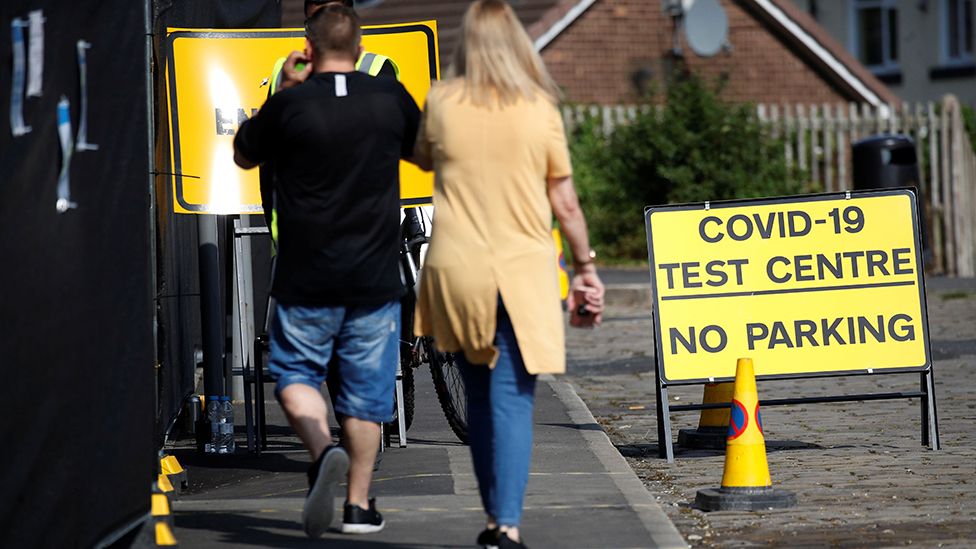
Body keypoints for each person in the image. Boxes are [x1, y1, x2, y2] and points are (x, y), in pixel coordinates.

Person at [411, 1, 605, 548]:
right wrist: (586, 267)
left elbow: (424, 159)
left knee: (478, 400)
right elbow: (564, 203)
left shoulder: (442, 102)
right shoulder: (538, 108)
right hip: (521, 273)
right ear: (517, 44)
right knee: (514, 399)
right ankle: (506, 525)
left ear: (466, 46)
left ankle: (494, 518)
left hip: (458, 271)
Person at [233, 4, 421, 538]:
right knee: (365, 396)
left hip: (305, 274)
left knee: (295, 377)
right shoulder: (388, 96)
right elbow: (428, 153)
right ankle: (359, 506)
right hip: (373, 276)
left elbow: (244, 154)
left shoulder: (291, 103)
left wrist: (286, 92)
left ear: (308, 51)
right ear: (360, 48)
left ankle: (322, 452)